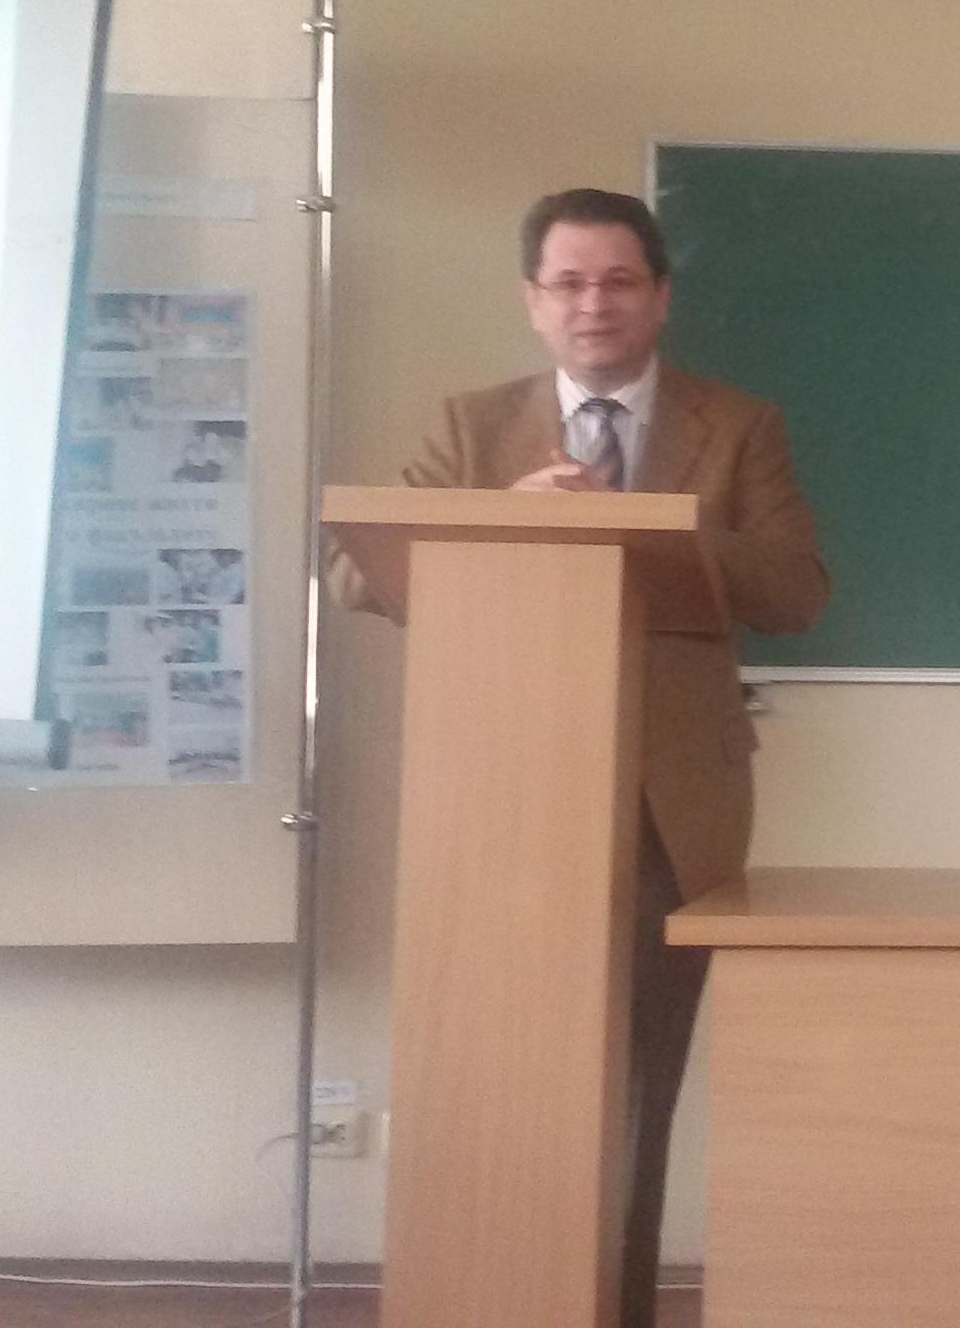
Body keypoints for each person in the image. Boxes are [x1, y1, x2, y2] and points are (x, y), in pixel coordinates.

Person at [331, 187, 828, 1326]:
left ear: (659, 296)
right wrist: (505, 518)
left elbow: (797, 590)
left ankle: (628, 1304)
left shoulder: (736, 426)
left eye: (617, 281)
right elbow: (357, 572)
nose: (592, 304)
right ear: (532, 301)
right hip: (504, 798)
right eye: (568, 283)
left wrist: (658, 530)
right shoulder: (472, 428)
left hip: (670, 805)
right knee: (507, 1069)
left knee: (644, 1077)